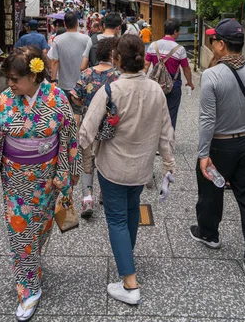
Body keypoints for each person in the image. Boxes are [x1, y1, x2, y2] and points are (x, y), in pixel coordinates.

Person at [0, 46, 81, 321]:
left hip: (48, 179)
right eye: (9, 78)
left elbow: (69, 136)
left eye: (14, 79)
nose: (9, 84)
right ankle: (29, 289)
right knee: (20, 233)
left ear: (34, 77)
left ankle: (32, 260)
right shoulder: (5, 102)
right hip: (16, 181)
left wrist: (70, 172)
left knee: (43, 226)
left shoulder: (57, 98)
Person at [79, 35, 175, 305]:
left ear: (116, 60)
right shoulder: (156, 90)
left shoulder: (111, 91)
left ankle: (130, 284)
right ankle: (126, 256)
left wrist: (68, 159)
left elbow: (86, 131)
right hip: (142, 167)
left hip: (113, 167)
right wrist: (169, 163)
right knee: (132, 211)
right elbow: (167, 133)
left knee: (117, 219)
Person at [191, 18, 245, 281]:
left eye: (213, 40)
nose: (211, 43)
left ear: (222, 45)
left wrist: (203, 153)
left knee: (211, 193)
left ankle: (209, 234)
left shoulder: (212, 75)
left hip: (220, 145)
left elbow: (207, 120)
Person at [71, 37, 120, 218]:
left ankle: (87, 199)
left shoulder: (87, 73)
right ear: (111, 54)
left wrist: (84, 103)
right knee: (106, 160)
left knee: (87, 161)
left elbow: (75, 96)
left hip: (89, 124)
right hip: (110, 126)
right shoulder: (117, 76)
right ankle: (103, 193)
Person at [144, 18, 194, 129]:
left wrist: (142, 81)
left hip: (156, 85)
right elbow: (186, 69)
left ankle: (155, 139)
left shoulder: (153, 46)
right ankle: (168, 140)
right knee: (171, 113)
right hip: (173, 84)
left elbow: (146, 65)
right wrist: (190, 82)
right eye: (178, 31)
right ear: (175, 31)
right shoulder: (180, 49)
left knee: (156, 114)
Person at [48, 11, 90, 107]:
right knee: (78, 111)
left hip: (64, 84)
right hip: (81, 83)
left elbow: (54, 61)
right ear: (77, 23)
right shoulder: (86, 39)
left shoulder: (57, 39)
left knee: (64, 110)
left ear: (64, 24)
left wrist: (53, 80)